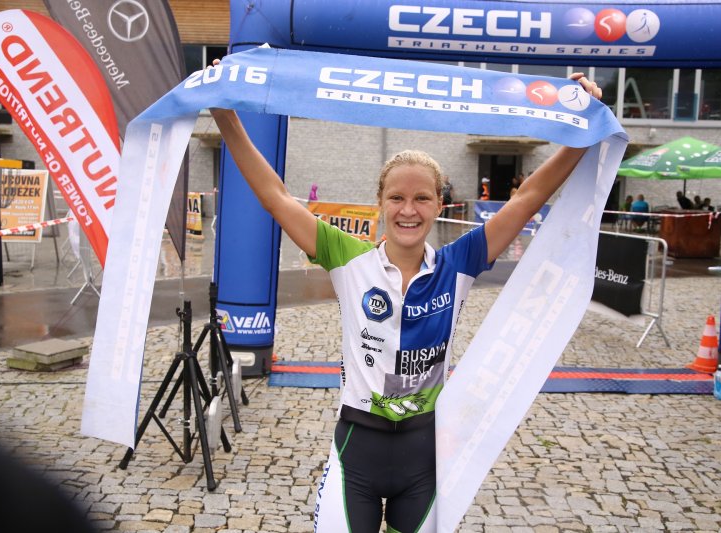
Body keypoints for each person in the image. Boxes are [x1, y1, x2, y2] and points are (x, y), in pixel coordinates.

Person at [210, 63, 601, 532]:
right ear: (380, 203)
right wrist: (225, 116)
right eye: (396, 198)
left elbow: (527, 198)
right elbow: (275, 196)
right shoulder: (346, 257)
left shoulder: (459, 262)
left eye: (422, 199)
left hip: (424, 456)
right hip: (357, 449)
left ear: (440, 205)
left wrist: (580, 133)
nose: (408, 210)